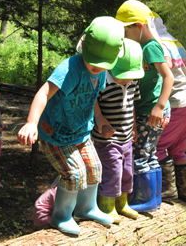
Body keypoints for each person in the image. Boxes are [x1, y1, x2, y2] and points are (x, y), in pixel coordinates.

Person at [17, 16, 125, 235]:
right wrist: (31, 122)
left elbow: (93, 96)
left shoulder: (101, 70)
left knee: (95, 168)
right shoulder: (69, 69)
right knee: (74, 173)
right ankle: (61, 216)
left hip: (81, 133)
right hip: (56, 134)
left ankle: (87, 208)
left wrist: (101, 119)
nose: (97, 67)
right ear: (83, 45)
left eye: (103, 64)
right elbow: (44, 92)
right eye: (93, 61)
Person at [116, 0, 174, 211]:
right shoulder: (138, 46)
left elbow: (169, 77)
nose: (123, 34)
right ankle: (154, 199)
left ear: (139, 26)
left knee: (140, 155)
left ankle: (144, 200)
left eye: (125, 29)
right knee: (149, 154)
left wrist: (159, 106)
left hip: (150, 110)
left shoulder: (150, 47)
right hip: (144, 110)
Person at [91, 38, 143, 223]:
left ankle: (122, 204)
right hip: (107, 139)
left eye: (132, 75)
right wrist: (100, 123)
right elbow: (93, 103)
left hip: (127, 137)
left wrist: (135, 127)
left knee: (128, 172)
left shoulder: (133, 81)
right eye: (125, 75)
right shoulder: (102, 81)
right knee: (112, 172)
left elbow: (132, 106)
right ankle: (107, 206)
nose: (128, 79)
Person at [151, 13, 186, 202]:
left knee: (158, 146)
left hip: (177, 102)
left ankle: (168, 191)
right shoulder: (175, 43)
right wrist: (184, 80)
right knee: (179, 149)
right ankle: (185, 192)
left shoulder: (157, 44)